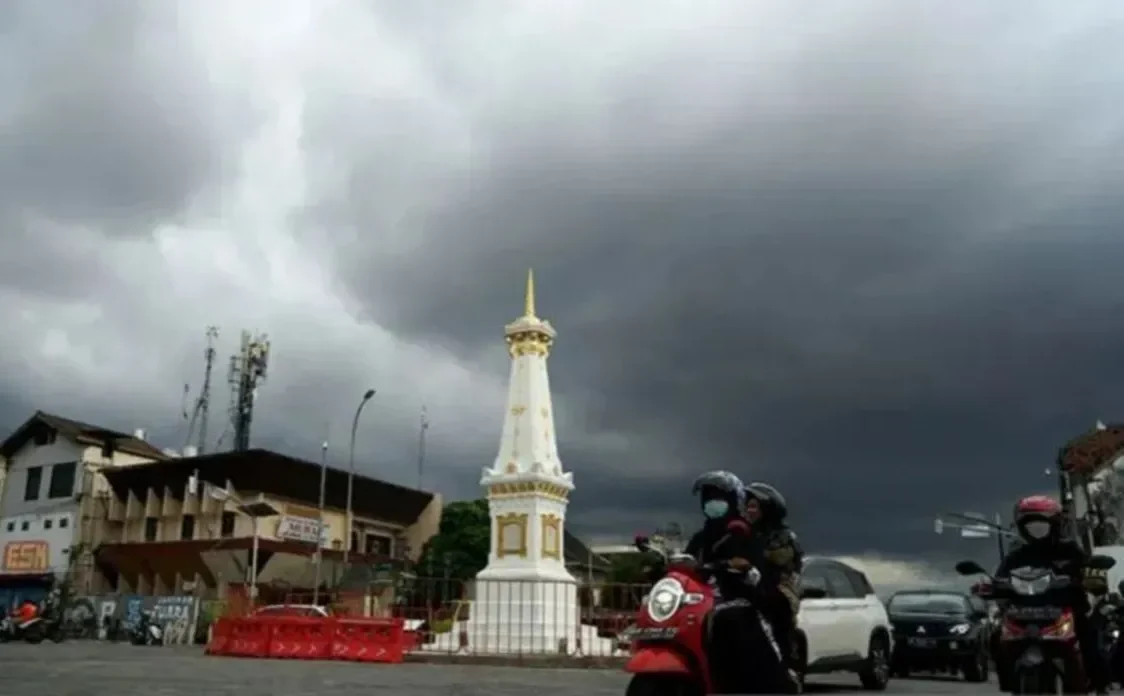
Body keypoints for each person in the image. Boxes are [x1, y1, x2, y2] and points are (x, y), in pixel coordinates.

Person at [685, 471, 795, 693]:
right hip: (701, 602)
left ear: (733, 501)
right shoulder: (700, 537)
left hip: (738, 600)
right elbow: (687, 561)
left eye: (719, 497)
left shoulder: (743, 532)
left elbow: (757, 571)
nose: (712, 502)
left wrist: (743, 569)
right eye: (708, 497)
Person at [992, 495, 1109, 694]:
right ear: (1022, 527)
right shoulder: (1017, 554)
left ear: (1054, 525)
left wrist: (1092, 579)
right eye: (1031, 526)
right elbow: (1000, 579)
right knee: (995, 637)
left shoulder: (1069, 550)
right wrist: (989, 587)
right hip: (1024, 612)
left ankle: (1099, 684)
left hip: (1064, 610)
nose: (1036, 531)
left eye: (1041, 525)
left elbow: (1089, 571)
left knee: (1089, 636)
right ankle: (1009, 682)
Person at [743, 481, 804, 680]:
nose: (749, 511)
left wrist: (756, 555)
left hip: (777, 593)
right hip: (748, 592)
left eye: (754, 506)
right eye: (748, 506)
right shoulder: (745, 533)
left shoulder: (785, 536)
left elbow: (781, 559)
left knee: (780, 624)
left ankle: (786, 671)